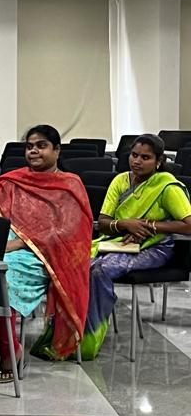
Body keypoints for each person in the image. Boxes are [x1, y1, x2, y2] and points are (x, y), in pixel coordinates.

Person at [0, 125, 93, 377]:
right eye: (30, 146)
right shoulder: (12, 181)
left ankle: (10, 353)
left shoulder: (69, 185)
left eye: (41, 145)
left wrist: (19, 243)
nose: (34, 150)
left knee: (4, 276)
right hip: (3, 248)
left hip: (46, 256)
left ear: (57, 150)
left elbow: (67, 233)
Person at [78, 134, 191, 360]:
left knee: (99, 270)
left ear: (158, 161)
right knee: (76, 264)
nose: (137, 161)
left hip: (154, 247)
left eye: (145, 157)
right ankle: (66, 332)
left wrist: (150, 226)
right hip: (117, 242)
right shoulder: (120, 181)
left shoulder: (166, 186)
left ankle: (89, 336)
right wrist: (125, 224)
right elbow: (103, 222)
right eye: (134, 155)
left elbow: (188, 226)